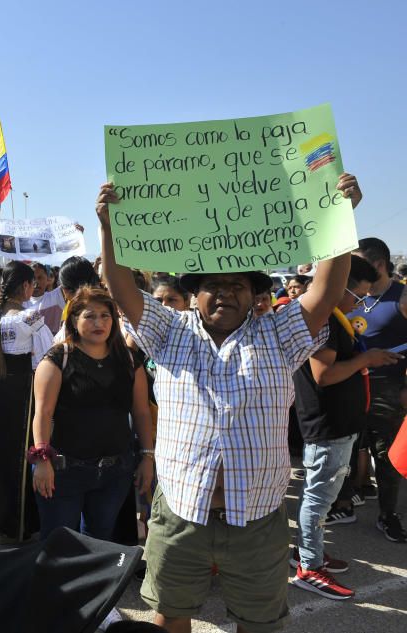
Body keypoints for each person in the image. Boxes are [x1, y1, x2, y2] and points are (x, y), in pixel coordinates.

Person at [96, 173, 362, 633]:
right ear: (193, 293)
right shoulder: (170, 331)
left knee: (260, 622)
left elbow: (325, 294)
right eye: (213, 285)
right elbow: (119, 288)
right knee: (170, 614)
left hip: (257, 517)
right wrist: (108, 225)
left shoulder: (278, 334)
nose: (226, 293)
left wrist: (340, 218)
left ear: (255, 294)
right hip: (181, 512)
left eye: (238, 285)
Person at [291, 255, 402, 599]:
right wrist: (367, 359)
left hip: (339, 424)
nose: (363, 304)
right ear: (340, 286)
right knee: (318, 497)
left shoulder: (335, 318)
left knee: (321, 497)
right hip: (328, 426)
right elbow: (324, 375)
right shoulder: (322, 321)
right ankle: (309, 566)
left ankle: (310, 552)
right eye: (359, 296)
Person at [30, 287, 155, 540]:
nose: (99, 322)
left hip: (115, 473)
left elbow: (141, 413)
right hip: (64, 472)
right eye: (89, 316)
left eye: (105, 315)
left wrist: (147, 457)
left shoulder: (130, 361)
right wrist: (43, 460)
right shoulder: (57, 359)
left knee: (99, 541)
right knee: (59, 544)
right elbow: (42, 414)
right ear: (74, 321)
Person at [0, 261, 53, 542]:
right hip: (19, 388)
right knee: (17, 454)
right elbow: (47, 356)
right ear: (26, 286)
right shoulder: (29, 317)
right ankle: (15, 524)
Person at [348, 237, 407, 542]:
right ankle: (346, 502)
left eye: (358, 264)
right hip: (352, 387)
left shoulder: (402, 296)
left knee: (385, 457)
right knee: (349, 450)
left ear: (379, 265)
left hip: (388, 390)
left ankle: (388, 515)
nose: (352, 270)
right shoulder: (354, 297)